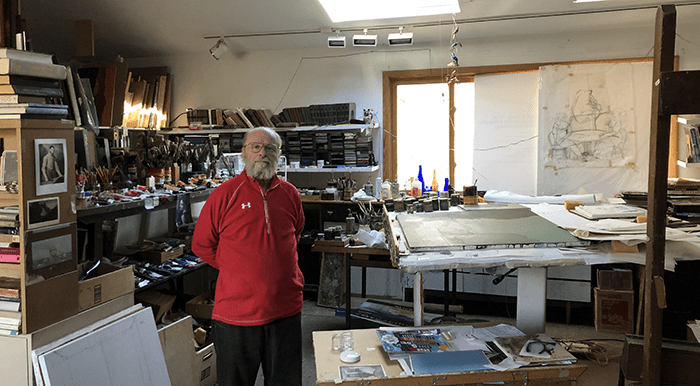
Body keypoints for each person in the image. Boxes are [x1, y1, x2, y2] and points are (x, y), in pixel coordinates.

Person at [192, 127, 305, 386]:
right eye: (255, 147)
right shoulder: (225, 194)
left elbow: (295, 234)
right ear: (244, 152)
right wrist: (238, 269)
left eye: (270, 148)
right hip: (236, 315)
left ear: (279, 154)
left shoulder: (290, 194)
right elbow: (201, 245)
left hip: (285, 310)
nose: (262, 153)